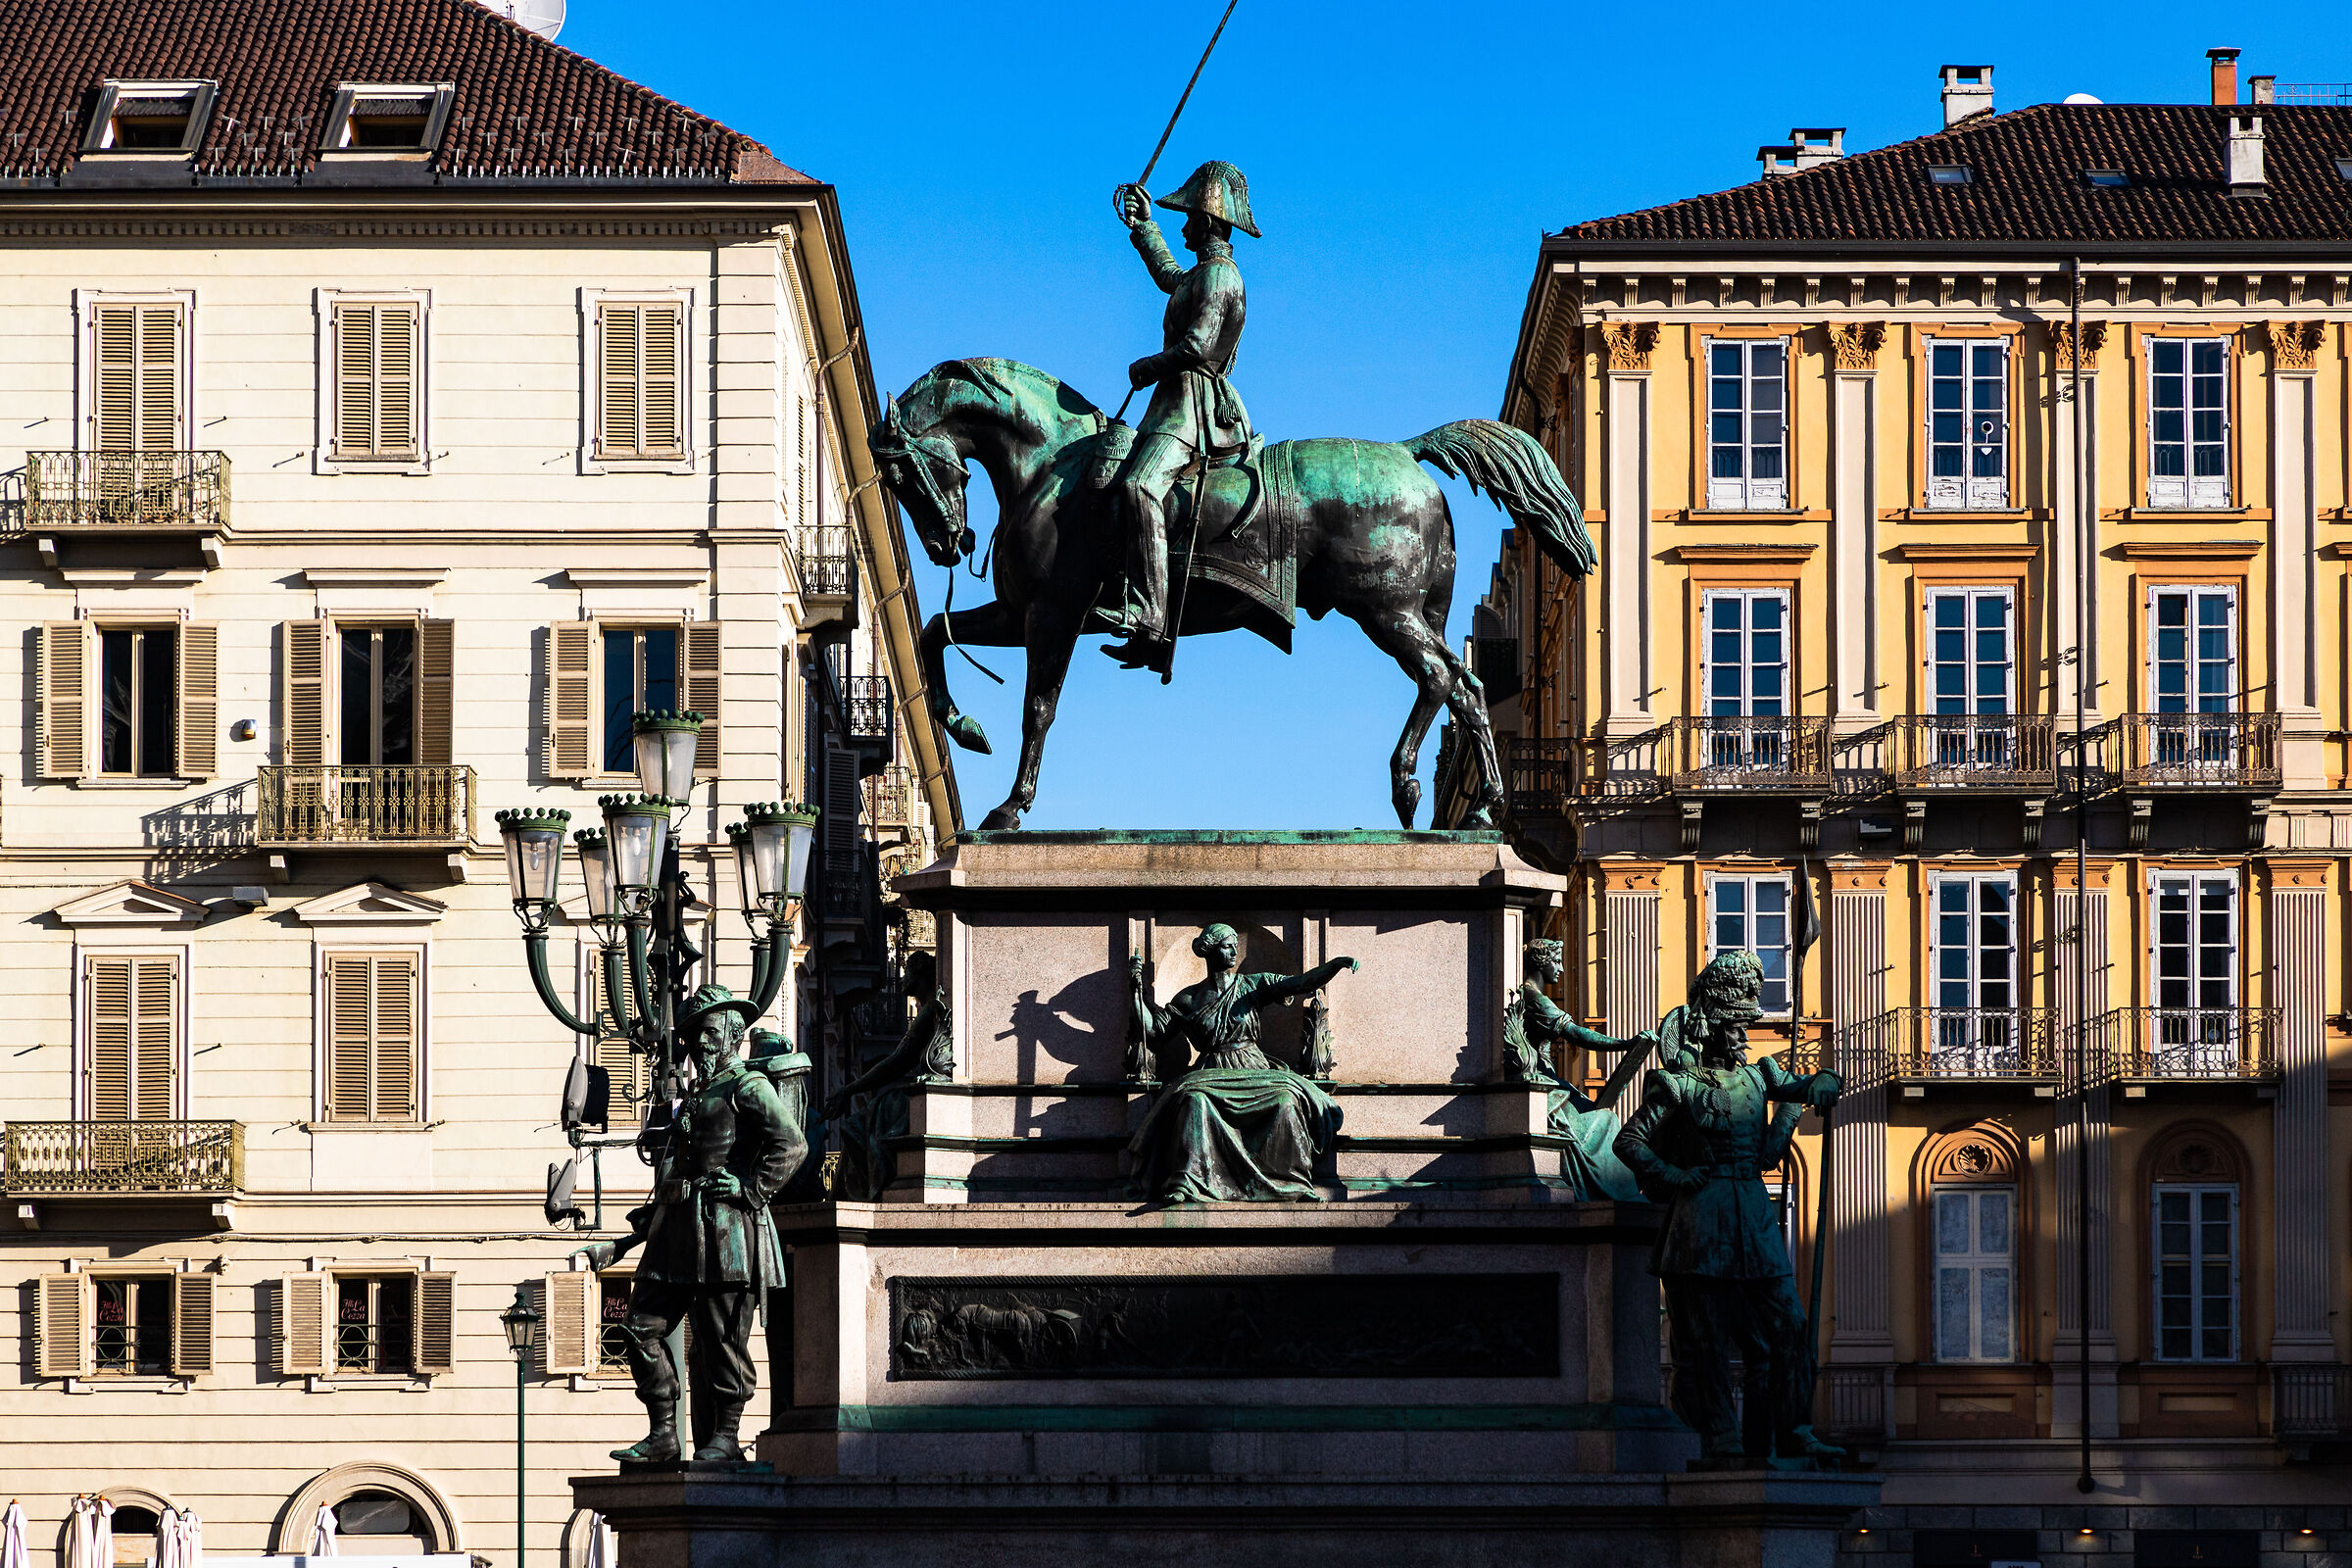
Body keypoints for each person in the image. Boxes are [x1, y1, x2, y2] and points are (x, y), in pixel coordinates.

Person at [1612, 951, 1844, 1465]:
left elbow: (1798, 1092)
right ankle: (1722, 1438)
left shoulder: (1759, 1077)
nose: (1744, 1037)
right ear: (1711, 1028)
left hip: (1756, 1219)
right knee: (1709, 1342)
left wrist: (1821, 1080)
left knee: (1790, 1326)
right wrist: (1674, 1175)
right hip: (1701, 1221)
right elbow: (1629, 1142)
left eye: (1746, 1027)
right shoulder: (1678, 1084)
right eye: (1737, 1027)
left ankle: (1795, 1430)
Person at [597, 983, 803, 1464]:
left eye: (707, 1032)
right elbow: (678, 1162)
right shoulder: (698, 1094)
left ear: (732, 1034)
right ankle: (664, 1434)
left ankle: (726, 1438)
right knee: (639, 1327)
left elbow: (791, 1144)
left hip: (726, 1231)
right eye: (691, 1036)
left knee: (722, 1342)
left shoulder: (747, 1086)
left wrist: (751, 1189)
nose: (698, 1044)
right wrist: (646, 1222)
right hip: (676, 1233)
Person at [1104, 160, 1259, 674]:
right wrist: (1144, 226)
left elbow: (1196, 347)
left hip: (1194, 409)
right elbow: (1171, 277)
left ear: (1210, 220)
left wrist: (1147, 366)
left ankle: (1150, 612)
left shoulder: (1221, 276)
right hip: (1173, 403)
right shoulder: (1202, 274)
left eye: (1188, 214)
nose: (1184, 223)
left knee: (1140, 487)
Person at [1124, 923, 1352, 1202]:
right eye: (1226, 945)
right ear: (1209, 951)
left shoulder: (1251, 985)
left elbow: (1301, 983)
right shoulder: (1189, 998)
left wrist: (1335, 965)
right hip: (1211, 1071)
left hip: (1253, 1068)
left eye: (1234, 945)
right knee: (1194, 1101)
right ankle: (1188, 1182)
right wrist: (1136, 991)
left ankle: (1291, 1182)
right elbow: (1154, 1032)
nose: (1233, 951)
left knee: (1285, 1100)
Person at [1502, 938, 1654, 1200]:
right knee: (1604, 1121)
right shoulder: (1535, 999)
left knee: (1601, 1116)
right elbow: (1576, 1034)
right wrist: (1625, 1044)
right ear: (1541, 964)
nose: (1560, 968)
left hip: (1548, 1081)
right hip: (1542, 1085)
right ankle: (1610, 1192)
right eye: (1556, 961)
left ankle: (1616, 1191)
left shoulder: (1533, 996)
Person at [822, 952, 951, 1202]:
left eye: (908, 972)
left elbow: (897, 1061)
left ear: (920, 978)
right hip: (923, 1097)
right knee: (861, 1125)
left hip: (923, 1099)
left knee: (857, 1126)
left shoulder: (930, 1010)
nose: (904, 978)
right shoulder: (931, 1008)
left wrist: (850, 1089)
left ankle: (852, 1201)